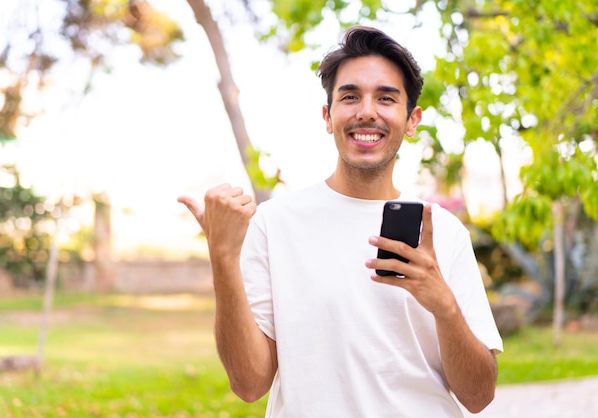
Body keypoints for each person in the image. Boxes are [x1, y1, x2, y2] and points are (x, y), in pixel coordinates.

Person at [178, 25, 503, 417]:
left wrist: (444, 306)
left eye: (386, 98)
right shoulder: (274, 224)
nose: (367, 111)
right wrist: (223, 256)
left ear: (412, 120)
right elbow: (249, 384)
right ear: (328, 116)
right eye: (350, 96)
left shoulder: (444, 233)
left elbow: (478, 395)